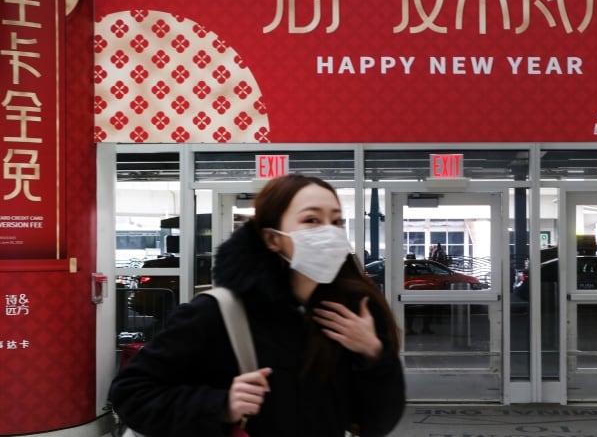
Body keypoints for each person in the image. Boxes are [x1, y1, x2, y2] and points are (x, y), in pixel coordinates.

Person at [109, 174, 406, 436]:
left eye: (337, 221)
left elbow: (375, 424)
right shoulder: (219, 313)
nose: (329, 232)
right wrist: (221, 405)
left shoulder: (350, 316)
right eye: (311, 220)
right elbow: (131, 394)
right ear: (272, 239)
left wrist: (374, 355)